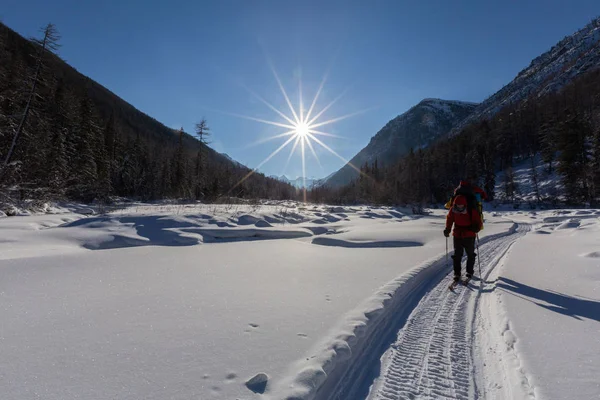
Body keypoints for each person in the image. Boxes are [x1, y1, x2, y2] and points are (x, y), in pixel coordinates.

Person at [444, 194, 482, 283]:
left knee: (470, 255)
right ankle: (457, 273)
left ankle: (469, 272)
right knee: (457, 255)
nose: (459, 206)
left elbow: (478, 221)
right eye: (457, 204)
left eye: (461, 205)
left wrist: (476, 228)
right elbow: (449, 219)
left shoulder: (471, 210)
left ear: (465, 204)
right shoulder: (453, 210)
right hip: (457, 235)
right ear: (455, 204)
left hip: (469, 235)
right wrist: (447, 229)